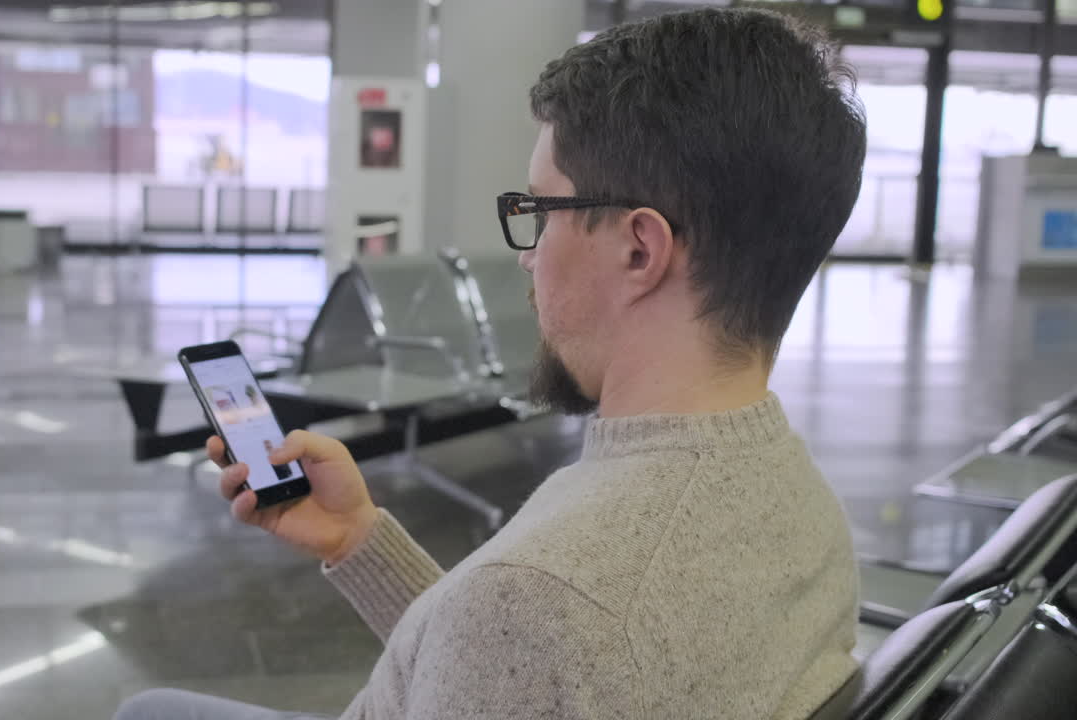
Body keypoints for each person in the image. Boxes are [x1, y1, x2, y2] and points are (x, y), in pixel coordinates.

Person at [116, 8, 865, 720]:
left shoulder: (544, 596)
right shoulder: (805, 508)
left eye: (540, 211)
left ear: (640, 249)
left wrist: (491, 606)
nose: (528, 256)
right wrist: (358, 541)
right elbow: (515, 674)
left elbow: (526, 638)